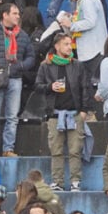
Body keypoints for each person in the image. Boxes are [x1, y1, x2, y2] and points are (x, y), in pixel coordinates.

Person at [35, 31, 90, 193]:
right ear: (57, 46)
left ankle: (75, 181)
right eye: (66, 44)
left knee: (75, 150)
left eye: (70, 44)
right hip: (54, 113)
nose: (69, 47)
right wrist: (50, 87)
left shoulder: (77, 65)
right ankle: (57, 181)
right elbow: (37, 86)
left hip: (74, 113)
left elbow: (84, 87)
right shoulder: (45, 66)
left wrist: (84, 111)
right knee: (56, 150)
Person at [0, 3, 35, 157]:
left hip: (15, 79)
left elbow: (31, 57)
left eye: (18, 14)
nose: (18, 16)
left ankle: (8, 149)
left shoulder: (22, 35)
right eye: (14, 13)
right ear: (5, 15)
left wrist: (21, 66)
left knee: (12, 117)